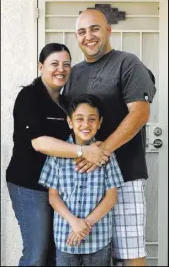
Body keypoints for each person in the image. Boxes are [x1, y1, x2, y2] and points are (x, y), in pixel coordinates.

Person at [63, 9, 156, 266]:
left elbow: (139, 114)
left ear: (108, 30)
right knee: (91, 254)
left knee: (130, 253)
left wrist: (100, 152)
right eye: (82, 31)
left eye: (95, 29)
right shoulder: (73, 74)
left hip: (125, 175)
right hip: (83, 181)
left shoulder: (127, 63)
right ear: (76, 37)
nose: (88, 36)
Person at [6, 43, 110, 266]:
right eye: (54, 64)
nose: (60, 69)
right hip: (29, 185)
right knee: (37, 253)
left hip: (58, 187)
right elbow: (39, 142)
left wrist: (95, 145)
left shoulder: (65, 103)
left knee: (55, 253)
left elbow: (75, 135)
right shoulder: (29, 97)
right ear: (41, 67)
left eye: (66, 64)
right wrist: (84, 151)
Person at [39, 94, 124, 267]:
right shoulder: (58, 154)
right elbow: (53, 197)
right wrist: (74, 222)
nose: (86, 125)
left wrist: (85, 225)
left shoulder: (106, 155)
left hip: (98, 238)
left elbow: (111, 197)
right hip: (66, 236)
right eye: (79, 119)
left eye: (92, 120)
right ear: (70, 122)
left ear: (99, 123)